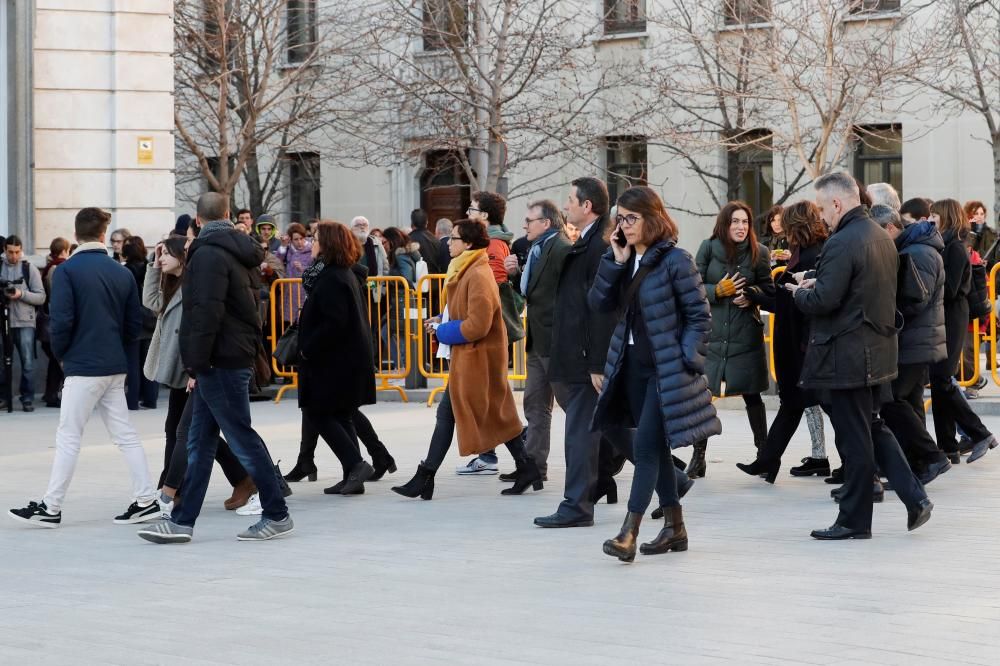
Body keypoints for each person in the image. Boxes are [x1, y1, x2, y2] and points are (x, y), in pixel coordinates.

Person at [137, 192, 293, 544]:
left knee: (239, 437)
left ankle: (277, 512)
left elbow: (204, 312)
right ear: (227, 213)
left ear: (197, 219)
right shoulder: (239, 248)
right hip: (226, 356)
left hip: (219, 360)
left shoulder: (207, 253)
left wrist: (194, 363)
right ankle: (182, 521)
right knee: (200, 441)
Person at [788, 172, 932, 540]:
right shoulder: (879, 235)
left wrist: (800, 293)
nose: (821, 217)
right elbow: (858, 289)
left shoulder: (843, 240)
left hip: (847, 354)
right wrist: (818, 283)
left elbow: (825, 300)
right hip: (875, 351)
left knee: (856, 438)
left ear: (837, 203)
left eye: (822, 208)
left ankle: (853, 520)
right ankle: (915, 498)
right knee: (872, 427)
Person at [589, 186, 720, 561]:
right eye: (620, 219)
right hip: (628, 366)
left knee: (646, 446)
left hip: (664, 371)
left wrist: (684, 359)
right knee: (653, 447)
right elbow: (598, 303)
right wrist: (614, 261)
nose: (624, 226)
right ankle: (675, 528)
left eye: (631, 218)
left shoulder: (677, 261)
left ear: (652, 218)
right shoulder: (624, 258)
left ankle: (628, 532)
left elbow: (700, 316)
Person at [9, 208, 159, 528]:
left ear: (76, 235)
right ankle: (146, 499)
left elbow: (62, 321)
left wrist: (62, 354)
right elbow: (134, 323)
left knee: (69, 436)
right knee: (125, 435)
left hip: (83, 364)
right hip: (114, 364)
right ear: (104, 235)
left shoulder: (67, 271)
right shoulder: (121, 273)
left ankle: (52, 506)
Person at [392, 219, 541, 499]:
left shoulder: (477, 273)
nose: (449, 243)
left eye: (455, 239)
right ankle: (526, 467)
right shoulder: (466, 268)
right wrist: (441, 318)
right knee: (494, 415)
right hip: (472, 359)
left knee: (456, 416)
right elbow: (463, 311)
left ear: (469, 243)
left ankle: (425, 477)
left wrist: (442, 330)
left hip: (479, 359)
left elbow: (477, 325)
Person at [533, 177, 638, 528]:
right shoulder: (590, 241)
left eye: (570, 201)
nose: (566, 207)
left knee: (579, 432)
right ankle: (674, 478)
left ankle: (576, 505)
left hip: (585, 357)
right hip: (579, 353)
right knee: (609, 427)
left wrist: (597, 362)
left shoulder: (600, 245)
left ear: (587, 206)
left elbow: (603, 309)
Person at [142, 236, 253, 517]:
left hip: (193, 368)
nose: (162, 258)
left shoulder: (193, 284)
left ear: (182, 256)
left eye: (167, 254)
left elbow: (201, 328)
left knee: (191, 432)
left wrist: (197, 368)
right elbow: (151, 301)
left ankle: (172, 491)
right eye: (161, 254)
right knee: (186, 431)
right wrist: (153, 267)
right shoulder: (171, 283)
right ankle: (240, 479)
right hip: (181, 370)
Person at [736, 201, 831, 482]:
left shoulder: (813, 255)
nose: (784, 230)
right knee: (792, 403)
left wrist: (755, 294)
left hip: (803, 344)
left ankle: (857, 465)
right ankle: (767, 461)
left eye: (787, 225)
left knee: (830, 406)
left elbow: (789, 302)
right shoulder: (804, 253)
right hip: (795, 342)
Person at [294, 221, 384, 495]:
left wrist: (307, 346)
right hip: (344, 359)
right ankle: (352, 476)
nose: (312, 243)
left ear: (328, 244)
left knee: (320, 413)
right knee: (341, 415)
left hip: (335, 360)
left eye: (316, 238)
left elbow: (334, 323)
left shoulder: (333, 277)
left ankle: (356, 465)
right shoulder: (339, 273)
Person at [692, 201, 774, 477]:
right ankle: (698, 457)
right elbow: (692, 286)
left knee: (753, 395)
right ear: (725, 224)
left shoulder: (759, 252)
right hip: (713, 336)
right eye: (735, 222)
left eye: (745, 222)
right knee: (704, 396)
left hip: (744, 334)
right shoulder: (707, 247)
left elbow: (768, 288)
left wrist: (751, 294)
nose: (741, 227)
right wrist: (718, 290)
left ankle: (763, 454)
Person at [878, 209, 953, 484]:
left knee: (892, 399)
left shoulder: (917, 252)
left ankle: (933, 457)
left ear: (888, 228)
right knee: (908, 400)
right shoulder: (916, 248)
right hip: (919, 338)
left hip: (916, 339)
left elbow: (916, 299)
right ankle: (920, 463)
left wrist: (887, 309)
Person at [500, 199, 572, 484]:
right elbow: (532, 291)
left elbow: (571, 297)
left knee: (573, 406)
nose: (524, 225)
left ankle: (607, 460)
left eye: (529, 220)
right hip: (538, 340)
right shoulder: (538, 248)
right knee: (534, 404)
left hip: (556, 341)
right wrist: (515, 274)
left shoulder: (563, 249)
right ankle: (533, 469)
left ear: (546, 223)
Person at [928, 198, 997, 464]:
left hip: (953, 318)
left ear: (944, 216)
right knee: (938, 381)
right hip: (944, 318)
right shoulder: (946, 244)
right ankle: (948, 445)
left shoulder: (955, 247)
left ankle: (981, 433)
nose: (930, 220)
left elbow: (952, 289)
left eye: (934, 216)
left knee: (943, 379)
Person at [454, 191, 515, 475]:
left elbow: (492, 290)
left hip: (484, 338)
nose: (468, 212)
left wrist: (449, 329)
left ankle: (500, 454)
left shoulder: (491, 247)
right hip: (478, 338)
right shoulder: (488, 247)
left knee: (489, 400)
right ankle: (516, 456)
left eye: (472, 208)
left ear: (485, 216)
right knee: (489, 402)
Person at [0, 235, 46, 412]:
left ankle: (27, 398)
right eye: (10, 252)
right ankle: (4, 397)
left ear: (21, 250)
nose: (14, 256)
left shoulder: (29, 268)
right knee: (3, 362)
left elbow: (41, 297)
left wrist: (21, 294)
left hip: (25, 322)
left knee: (27, 362)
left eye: (17, 252)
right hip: (3, 321)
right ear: (4, 250)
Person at [122, 236, 159, 410]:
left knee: (133, 364)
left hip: (134, 321)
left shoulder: (125, 271)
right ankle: (151, 399)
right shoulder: (150, 268)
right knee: (150, 362)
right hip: (151, 320)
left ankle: (132, 401)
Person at [39, 237, 71, 408]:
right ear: (64, 250)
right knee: (57, 360)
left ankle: (50, 394)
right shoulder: (57, 268)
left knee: (54, 360)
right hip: (53, 322)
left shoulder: (51, 266)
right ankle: (51, 395)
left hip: (50, 322)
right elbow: (55, 296)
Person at [276, 222, 312, 325]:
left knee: (305, 321)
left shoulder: (311, 250)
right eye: (296, 239)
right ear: (291, 240)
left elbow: (316, 269)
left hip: (304, 292)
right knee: (289, 323)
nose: (299, 242)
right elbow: (277, 262)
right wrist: (283, 246)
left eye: (301, 238)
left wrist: (302, 269)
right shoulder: (288, 250)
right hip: (289, 293)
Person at [410, 209, 445, 275]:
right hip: (434, 280)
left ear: (412, 223)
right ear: (427, 222)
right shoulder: (435, 240)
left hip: (416, 281)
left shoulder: (407, 240)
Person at [966, 200, 996, 266]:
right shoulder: (963, 233)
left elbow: (997, 258)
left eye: (982, 214)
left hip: (988, 273)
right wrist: (972, 232)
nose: (979, 216)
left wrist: (988, 262)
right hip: (970, 273)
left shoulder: (993, 234)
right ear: (969, 216)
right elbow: (965, 253)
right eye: (976, 213)